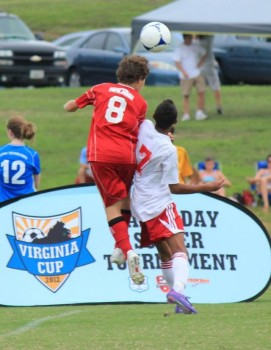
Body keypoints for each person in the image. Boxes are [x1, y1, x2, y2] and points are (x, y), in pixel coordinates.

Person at [129, 99, 224, 314]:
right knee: (180, 251)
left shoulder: (143, 128)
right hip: (159, 202)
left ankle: (177, 301)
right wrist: (205, 187)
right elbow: (175, 187)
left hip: (140, 202)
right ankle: (177, 290)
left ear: (154, 117)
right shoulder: (168, 149)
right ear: (174, 122)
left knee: (165, 253)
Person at [64, 55, 150, 285]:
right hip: (127, 156)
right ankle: (119, 248)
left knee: (111, 205)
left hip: (102, 155)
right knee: (126, 201)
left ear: (119, 75)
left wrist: (68, 105)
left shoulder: (100, 89)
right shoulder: (141, 103)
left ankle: (128, 250)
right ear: (140, 79)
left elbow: (72, 106)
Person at [0, 116, 41, 202]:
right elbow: (36, 184)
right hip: (26, 204)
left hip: (3, 204)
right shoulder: (32, 155)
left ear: (10, 132)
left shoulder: (1, 152)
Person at [173, 33, 208, 122]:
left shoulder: (195, 46)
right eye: (188, 38)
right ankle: (186, 114)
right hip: (186, 76)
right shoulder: (179, 48)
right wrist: (183, 72)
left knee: (201, 92)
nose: (190, 40)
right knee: (186, 95)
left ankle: (199, 112)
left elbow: (204, 53)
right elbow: (177, 62)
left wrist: (200, 64)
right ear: (185, 38)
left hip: (196, 73)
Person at [197, 35, 223, 115]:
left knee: (201, 88)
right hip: (210, 65)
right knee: (216, 86)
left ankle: (201, 108)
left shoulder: (197, 42)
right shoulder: (209, 40)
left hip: (201, 67)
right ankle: (219, 105)